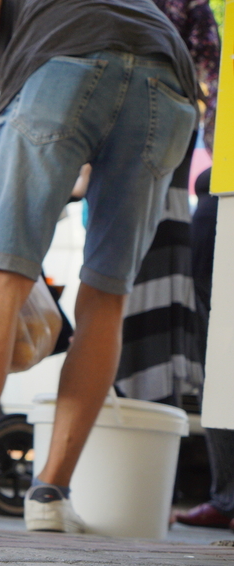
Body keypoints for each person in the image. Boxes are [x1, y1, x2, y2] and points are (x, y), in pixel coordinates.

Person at [0, 0, 198, 532]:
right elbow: (121, 84)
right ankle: (51, 499)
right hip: (171, 90)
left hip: (67, 68)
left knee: (3, 276)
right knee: (105, 294)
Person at [114, 0, 217, 406]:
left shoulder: (130, 83)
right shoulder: (183, 98)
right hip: (166, 226)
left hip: (137, 228)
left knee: (125, 323)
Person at [174, 167, 234, 532]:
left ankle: (227, 497)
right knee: (215, 357)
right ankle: (226, 497)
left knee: (218, 356)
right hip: (217, 197)